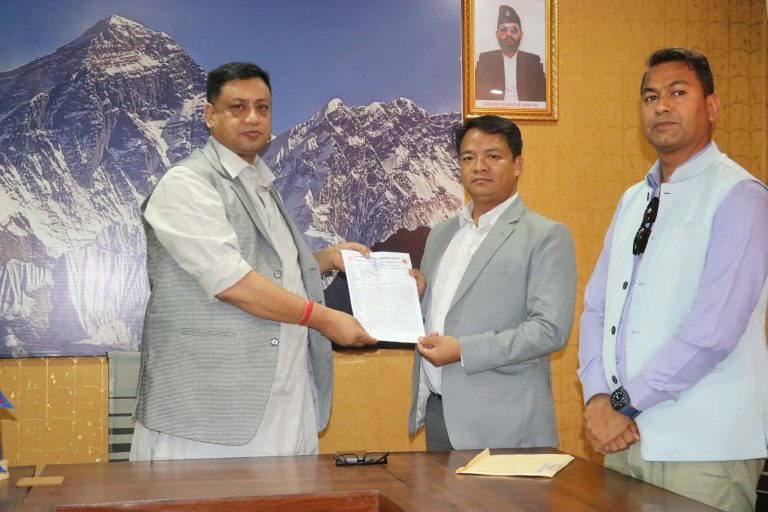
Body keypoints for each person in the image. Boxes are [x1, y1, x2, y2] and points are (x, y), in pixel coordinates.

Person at [130, 62, 377, 461]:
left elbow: (273, 268)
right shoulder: (188, 183)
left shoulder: (261, 184)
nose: (252, 118)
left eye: (262, 108)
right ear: (210, 115)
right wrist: (323, 318)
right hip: (208, 412)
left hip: (284, 400)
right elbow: (232, 282)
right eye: (238, 107)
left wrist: (328, 259)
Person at [577, 48, 768, 511]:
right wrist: (599, 397)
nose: (661, 106)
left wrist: (622, 404)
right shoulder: (632, 199)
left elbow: (713, 331)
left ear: (712, 106)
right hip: (625, 441)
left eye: (678, 93)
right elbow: (597, 308)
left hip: (702, 447)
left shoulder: (740, 195)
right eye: (650, 97)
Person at [407, 115, 576, 450]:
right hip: (439, 415)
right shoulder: (441, 234)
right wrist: (418, 295)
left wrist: (463, 350)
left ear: (517, 165)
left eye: (493, 156)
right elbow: (442, 315)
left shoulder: (545, 236)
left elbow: (549, 331)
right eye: (468, 158)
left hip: (506, 424)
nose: (479, 166)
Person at [475, 5, 547, 102]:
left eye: (513, 30)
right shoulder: (485, 60)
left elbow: (542, 94)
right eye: (503, 30)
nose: (508, 34)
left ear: (521, 34)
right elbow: (477, 93)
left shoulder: (533, 61)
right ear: (497, 34)